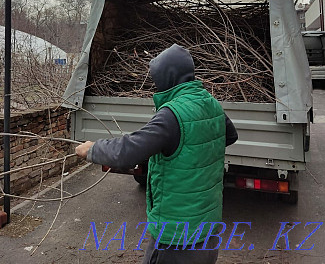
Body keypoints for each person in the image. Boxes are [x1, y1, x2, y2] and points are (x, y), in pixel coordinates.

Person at [76, 44, 238, 264]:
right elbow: (230, 136)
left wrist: (92, 149)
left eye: (157, 78)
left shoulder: (171, 115)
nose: (155, 84)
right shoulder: (211, 104)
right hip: (207, 232)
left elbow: (128, 152)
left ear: (168, 77)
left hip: (176, 237)